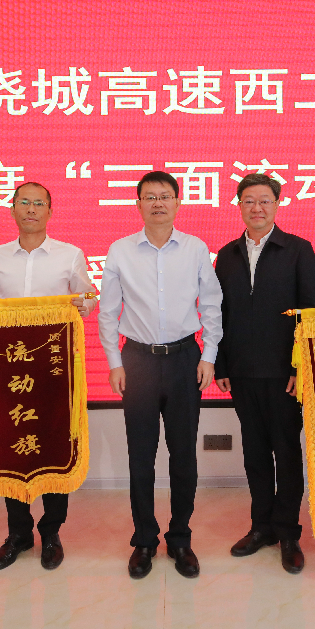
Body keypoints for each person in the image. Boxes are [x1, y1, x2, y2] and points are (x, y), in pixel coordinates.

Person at [0, 182, 94, 571]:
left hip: (53, 367)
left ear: (50, 211)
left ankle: (52, 532)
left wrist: (83, 303)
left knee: (55, 442)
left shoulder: (70, 254)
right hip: (8, 369)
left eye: (39, 203)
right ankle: (18, 533)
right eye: (24, 202)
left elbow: (88, 299)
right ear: (12, 209)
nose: (31, 209)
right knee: (12, 445)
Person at [98, 171, 223, 580]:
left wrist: (209, 356)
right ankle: (145, 540)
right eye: (149, 197)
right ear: (138, 204)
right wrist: (114, 363)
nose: (157, 203)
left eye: (165, 196)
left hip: (186, 358)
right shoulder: (120, 250)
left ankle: (181, 537)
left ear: (177, 202)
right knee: (141, 456)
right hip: (137, 361)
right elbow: (107, 312)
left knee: (184, 455)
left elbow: (211, 306)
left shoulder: (195, 248)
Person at [213, 173, 315, 574]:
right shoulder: (226, 254)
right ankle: (261, 526)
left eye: (264, 200)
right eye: (248, 201)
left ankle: (288, 532)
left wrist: (301, 367)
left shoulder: (297, 249)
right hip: (242, 371)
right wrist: (222, 364)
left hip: (284, 373)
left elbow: (312, 311)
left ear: (277, 205)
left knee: (286, 451)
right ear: (239, 206)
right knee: (255, 452)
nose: (256, 208)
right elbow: (219, 314)